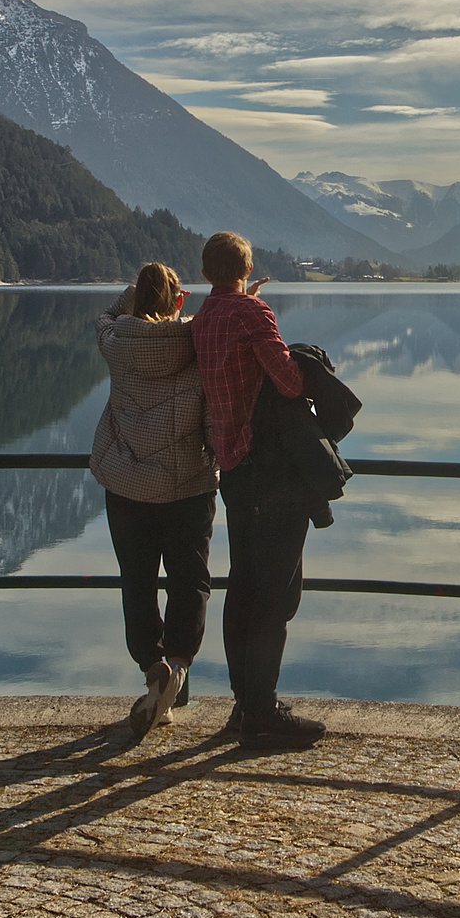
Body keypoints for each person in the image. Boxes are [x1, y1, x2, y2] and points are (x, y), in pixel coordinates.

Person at [192, 231, 326, 749]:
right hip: (270, 471)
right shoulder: (252, 316)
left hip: (233, 468)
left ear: (205, 274)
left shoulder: (206, 318)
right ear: (247, 269)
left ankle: (244, 704)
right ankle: (263, 711)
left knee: (243, 585)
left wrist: (246, 302)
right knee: (278, 591)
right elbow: (290, 382)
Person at [89, 262, 217, 740]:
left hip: (127, 487)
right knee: (190, 580)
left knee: (137, 580)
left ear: (138, 300)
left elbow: (106, 313)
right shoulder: (197, 341)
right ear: (179, 300)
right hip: (187, 486)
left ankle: (152, 667)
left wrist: (136, 297)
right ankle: (179, 667)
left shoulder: (116, 343)